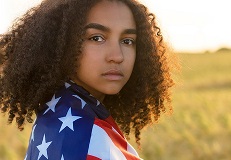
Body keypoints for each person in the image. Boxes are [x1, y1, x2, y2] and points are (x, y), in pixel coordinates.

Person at [0, 0, 176, 159]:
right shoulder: (87, 139)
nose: (117, 56)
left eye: (127, 41)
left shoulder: (57, 115)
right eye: (97, 38)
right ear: (62, 43)